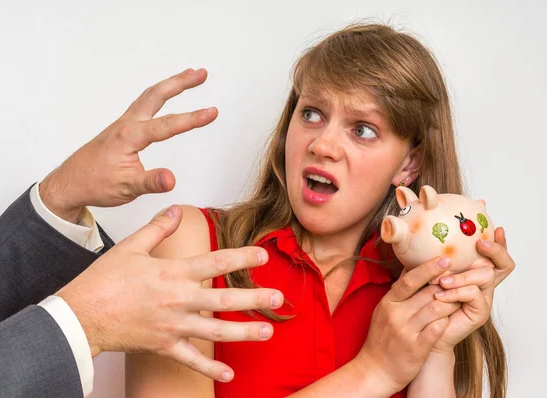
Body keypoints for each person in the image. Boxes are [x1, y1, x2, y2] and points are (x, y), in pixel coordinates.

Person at [125, 23, 515, 397]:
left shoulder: (423, 288)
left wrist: (435, 349)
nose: (322, 145)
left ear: (408, 166)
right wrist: (374, 372)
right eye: (312, 113)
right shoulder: (194, 245)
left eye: (362, 129)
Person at [0, 68, 285, 397]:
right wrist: (85, 320)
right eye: (311, 114)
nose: (322, 146)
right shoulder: (197, 237)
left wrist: (60, 194)